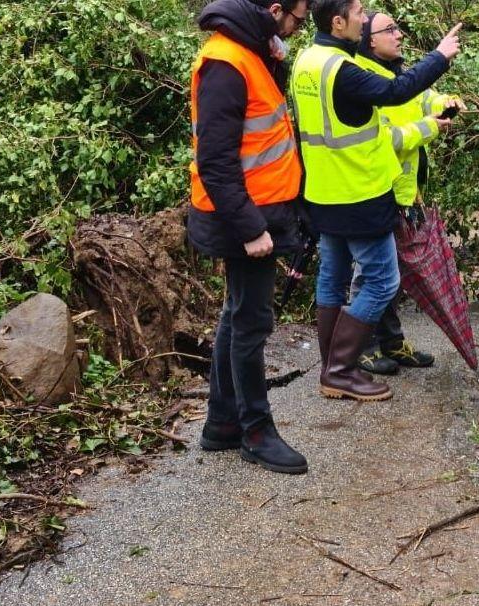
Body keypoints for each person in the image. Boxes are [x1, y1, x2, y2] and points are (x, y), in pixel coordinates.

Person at [290, 0, 462, 401]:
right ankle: (339, 370)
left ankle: (332, 365)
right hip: (359, 190)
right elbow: (394, 90)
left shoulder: (307, 60)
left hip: (322, 190)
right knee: (383, 282)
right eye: (359, 13)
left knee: (332, 277)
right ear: (337, 22)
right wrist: (439, 56)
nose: (364, 20)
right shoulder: (343, 70)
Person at [187, 0, 312, 475]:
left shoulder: (252, 53)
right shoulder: (227, 63)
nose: (298, 30)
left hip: (261, 210)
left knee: (237, 314)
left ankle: (221, 423)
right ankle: (256, 431)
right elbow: (215, 162)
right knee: (251, 322)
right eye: (297, 20)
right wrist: (252, 229)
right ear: (275, 9)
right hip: (245, 218)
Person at [351, 11, 465, 375]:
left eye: (398, 28)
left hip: (403, 195)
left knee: (392, 275)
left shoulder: (396, 74)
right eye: (390, 30)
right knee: (369, 275)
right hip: (376, 192)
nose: (399, 35)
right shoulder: (366, 81)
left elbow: (424, 96)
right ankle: (359, 347)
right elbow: (387, 140)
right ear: (369, 39)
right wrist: (429, 128)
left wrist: (447, 103)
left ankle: (392, 342)